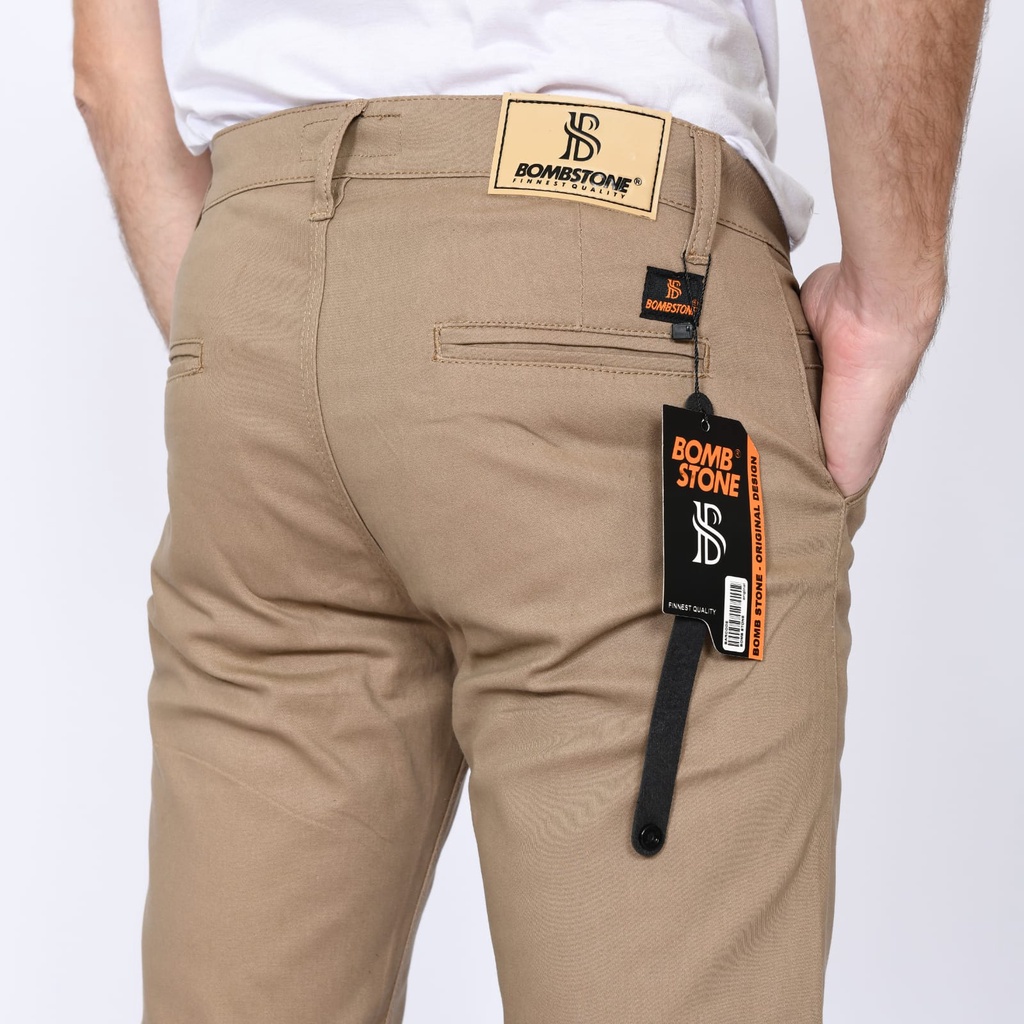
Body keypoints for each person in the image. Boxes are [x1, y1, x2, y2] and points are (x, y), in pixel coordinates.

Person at [73, 2, 986, 1021]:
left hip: (258, 286)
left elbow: (107, 68)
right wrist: (891, 297)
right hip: (600, 261)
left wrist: (241, 320)